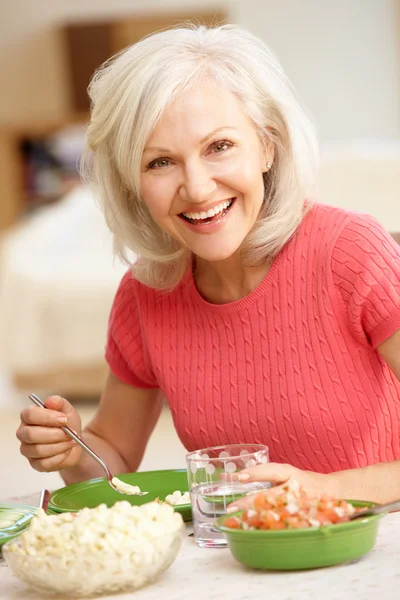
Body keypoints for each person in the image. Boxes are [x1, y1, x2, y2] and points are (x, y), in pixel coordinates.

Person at [16, 24, 400, 504]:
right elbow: (112, 454)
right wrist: (70, 449)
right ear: (130, 181)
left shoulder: (351, 251)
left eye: (219, 147)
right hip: (240, 561)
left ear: (267, 144)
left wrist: (326, 490)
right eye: (160, 162)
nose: (197, 188)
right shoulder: (145, 294)